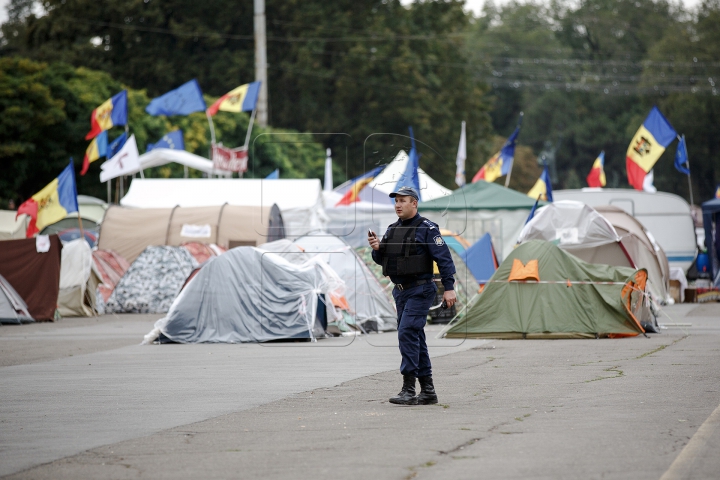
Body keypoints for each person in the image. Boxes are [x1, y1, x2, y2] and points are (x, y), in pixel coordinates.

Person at [368, 186, 456, 405]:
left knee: (407, 332)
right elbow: (383, 261)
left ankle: (408, 389)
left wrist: (449, 287)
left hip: (421, 289)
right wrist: (378, 248)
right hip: (401, 292)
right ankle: (428, 391)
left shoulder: (427, 228)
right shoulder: (391, 229)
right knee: (415, 336)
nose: (397, 205)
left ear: (414, 203)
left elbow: (444, 258)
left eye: (402, 200)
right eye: (396, 201)